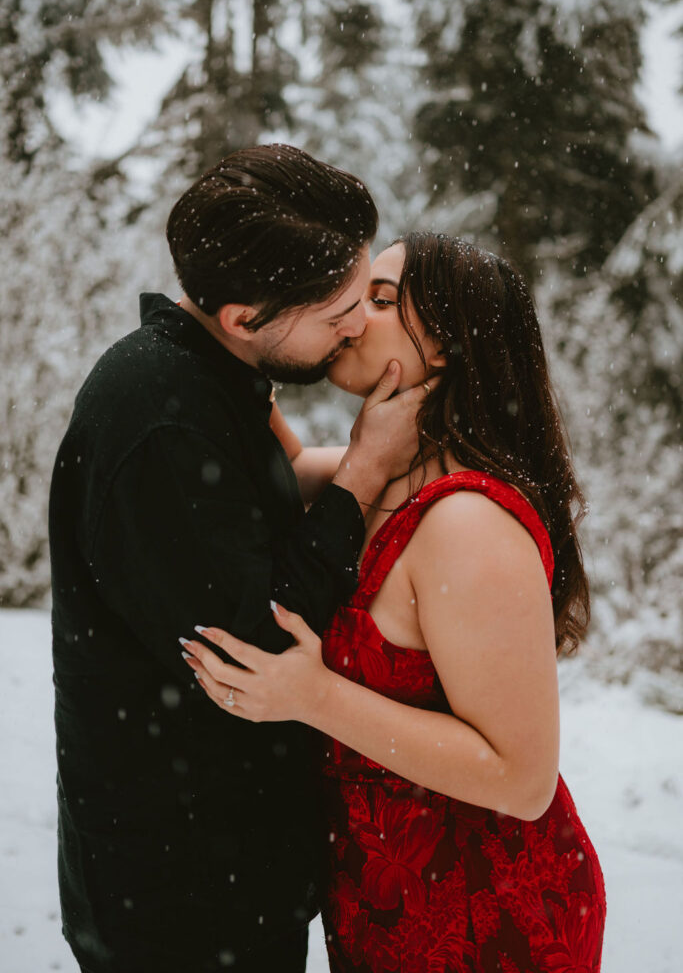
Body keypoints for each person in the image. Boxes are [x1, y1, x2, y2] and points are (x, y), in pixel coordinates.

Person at [49, 145, 434, 973]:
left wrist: (415, 465)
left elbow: (251, 510)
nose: (359, 325)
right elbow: (254, 650)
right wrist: (364, 470)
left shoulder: (206, 377)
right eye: (337, 313)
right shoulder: (164, 420)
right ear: (243, 316)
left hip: (219, 861)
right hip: (182, 897)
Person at [184, 233, 607, 973]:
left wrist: (314, 696)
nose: (348, 318)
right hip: (389, 897)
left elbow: (522, 778)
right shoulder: (381, 474)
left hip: (482, 914)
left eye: (377, 301)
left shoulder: (467, 522)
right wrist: (252, 331)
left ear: (443, 346)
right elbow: (276, 465)